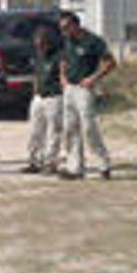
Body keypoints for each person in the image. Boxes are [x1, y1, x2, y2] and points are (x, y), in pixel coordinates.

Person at [58, 12, 116, 180]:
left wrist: (93, 78)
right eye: (62, 28)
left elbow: (110, 63)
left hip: (84, 90)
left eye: (66, 27)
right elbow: (63, 59)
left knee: (89, 128)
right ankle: (75, 167)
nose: (64, 31)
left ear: (76, 25)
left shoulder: (93, 41)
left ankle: (103, 164)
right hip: (69, 88)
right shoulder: (67, 41)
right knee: (70, 129)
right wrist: (62, 77)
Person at [21, 26, 63, 174]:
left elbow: (63, 76)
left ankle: (50, 162)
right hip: (39, 97)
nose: (39, 46)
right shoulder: (38, 56)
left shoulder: (58, 57)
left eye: (42, 43)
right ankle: (34, 160)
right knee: (35, 130)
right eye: (37, 43)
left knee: (53, 131)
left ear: (49, 42)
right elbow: (36, 75)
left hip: (54, 96)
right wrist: (35, 91)